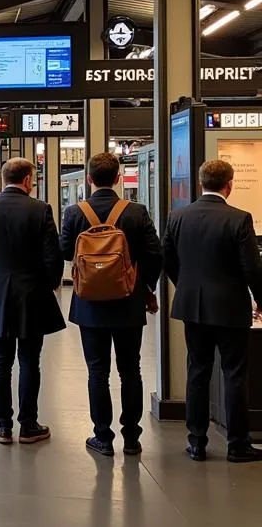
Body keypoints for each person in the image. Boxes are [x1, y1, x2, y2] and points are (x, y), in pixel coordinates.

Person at [59, 152, 163, 457]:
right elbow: (155, 254)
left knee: (97, 371)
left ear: (89, 179)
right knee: (131, 370)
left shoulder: (74, 213)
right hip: (128, 303)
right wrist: (146, 287)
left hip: (89, 304)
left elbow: (66, 251)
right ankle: (132, 437)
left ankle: (102, 437)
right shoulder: (136, 212)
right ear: (118, 178)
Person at [162, 159, 262, 462]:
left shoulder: (177, 217)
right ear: (229, 185)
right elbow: (252, 270)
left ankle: (197, 442)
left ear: (199, 183)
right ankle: (237, 444)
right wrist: (260, 299)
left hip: (193, 306)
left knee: (197, 370)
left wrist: (186, 286)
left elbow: (169, 260)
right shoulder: (239, 219)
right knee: (234, 373)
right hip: (231, 307)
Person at [0, 158, 65, 444]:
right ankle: (29, 425)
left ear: (5, 178)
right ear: (28, 179)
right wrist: (49, 285)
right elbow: (52, 256)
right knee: (30, 360)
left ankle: (4, 426)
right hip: (32, 294)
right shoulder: (40, 209)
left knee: (1, 360)